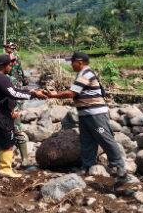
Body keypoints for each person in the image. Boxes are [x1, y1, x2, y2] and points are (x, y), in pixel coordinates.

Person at [46, 52, 127, 181]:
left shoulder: (86, 74)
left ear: (80, 62)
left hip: (96, 114)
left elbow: (71, 93)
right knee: (87, 141)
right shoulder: (81, 74)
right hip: (85, 114)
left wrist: (54, 95)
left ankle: (119, 165)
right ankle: (87, 166)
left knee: (105, 138)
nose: (71, 65)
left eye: (72, 62)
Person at [0, 54, 46, 178]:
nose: (11, 66)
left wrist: (31, 91)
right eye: (10, 64)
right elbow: (13, 93)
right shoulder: (2, 78)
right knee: (7, 140)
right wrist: (34, 95)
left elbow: (10, 90)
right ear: (4, 65)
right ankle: (5, 169)